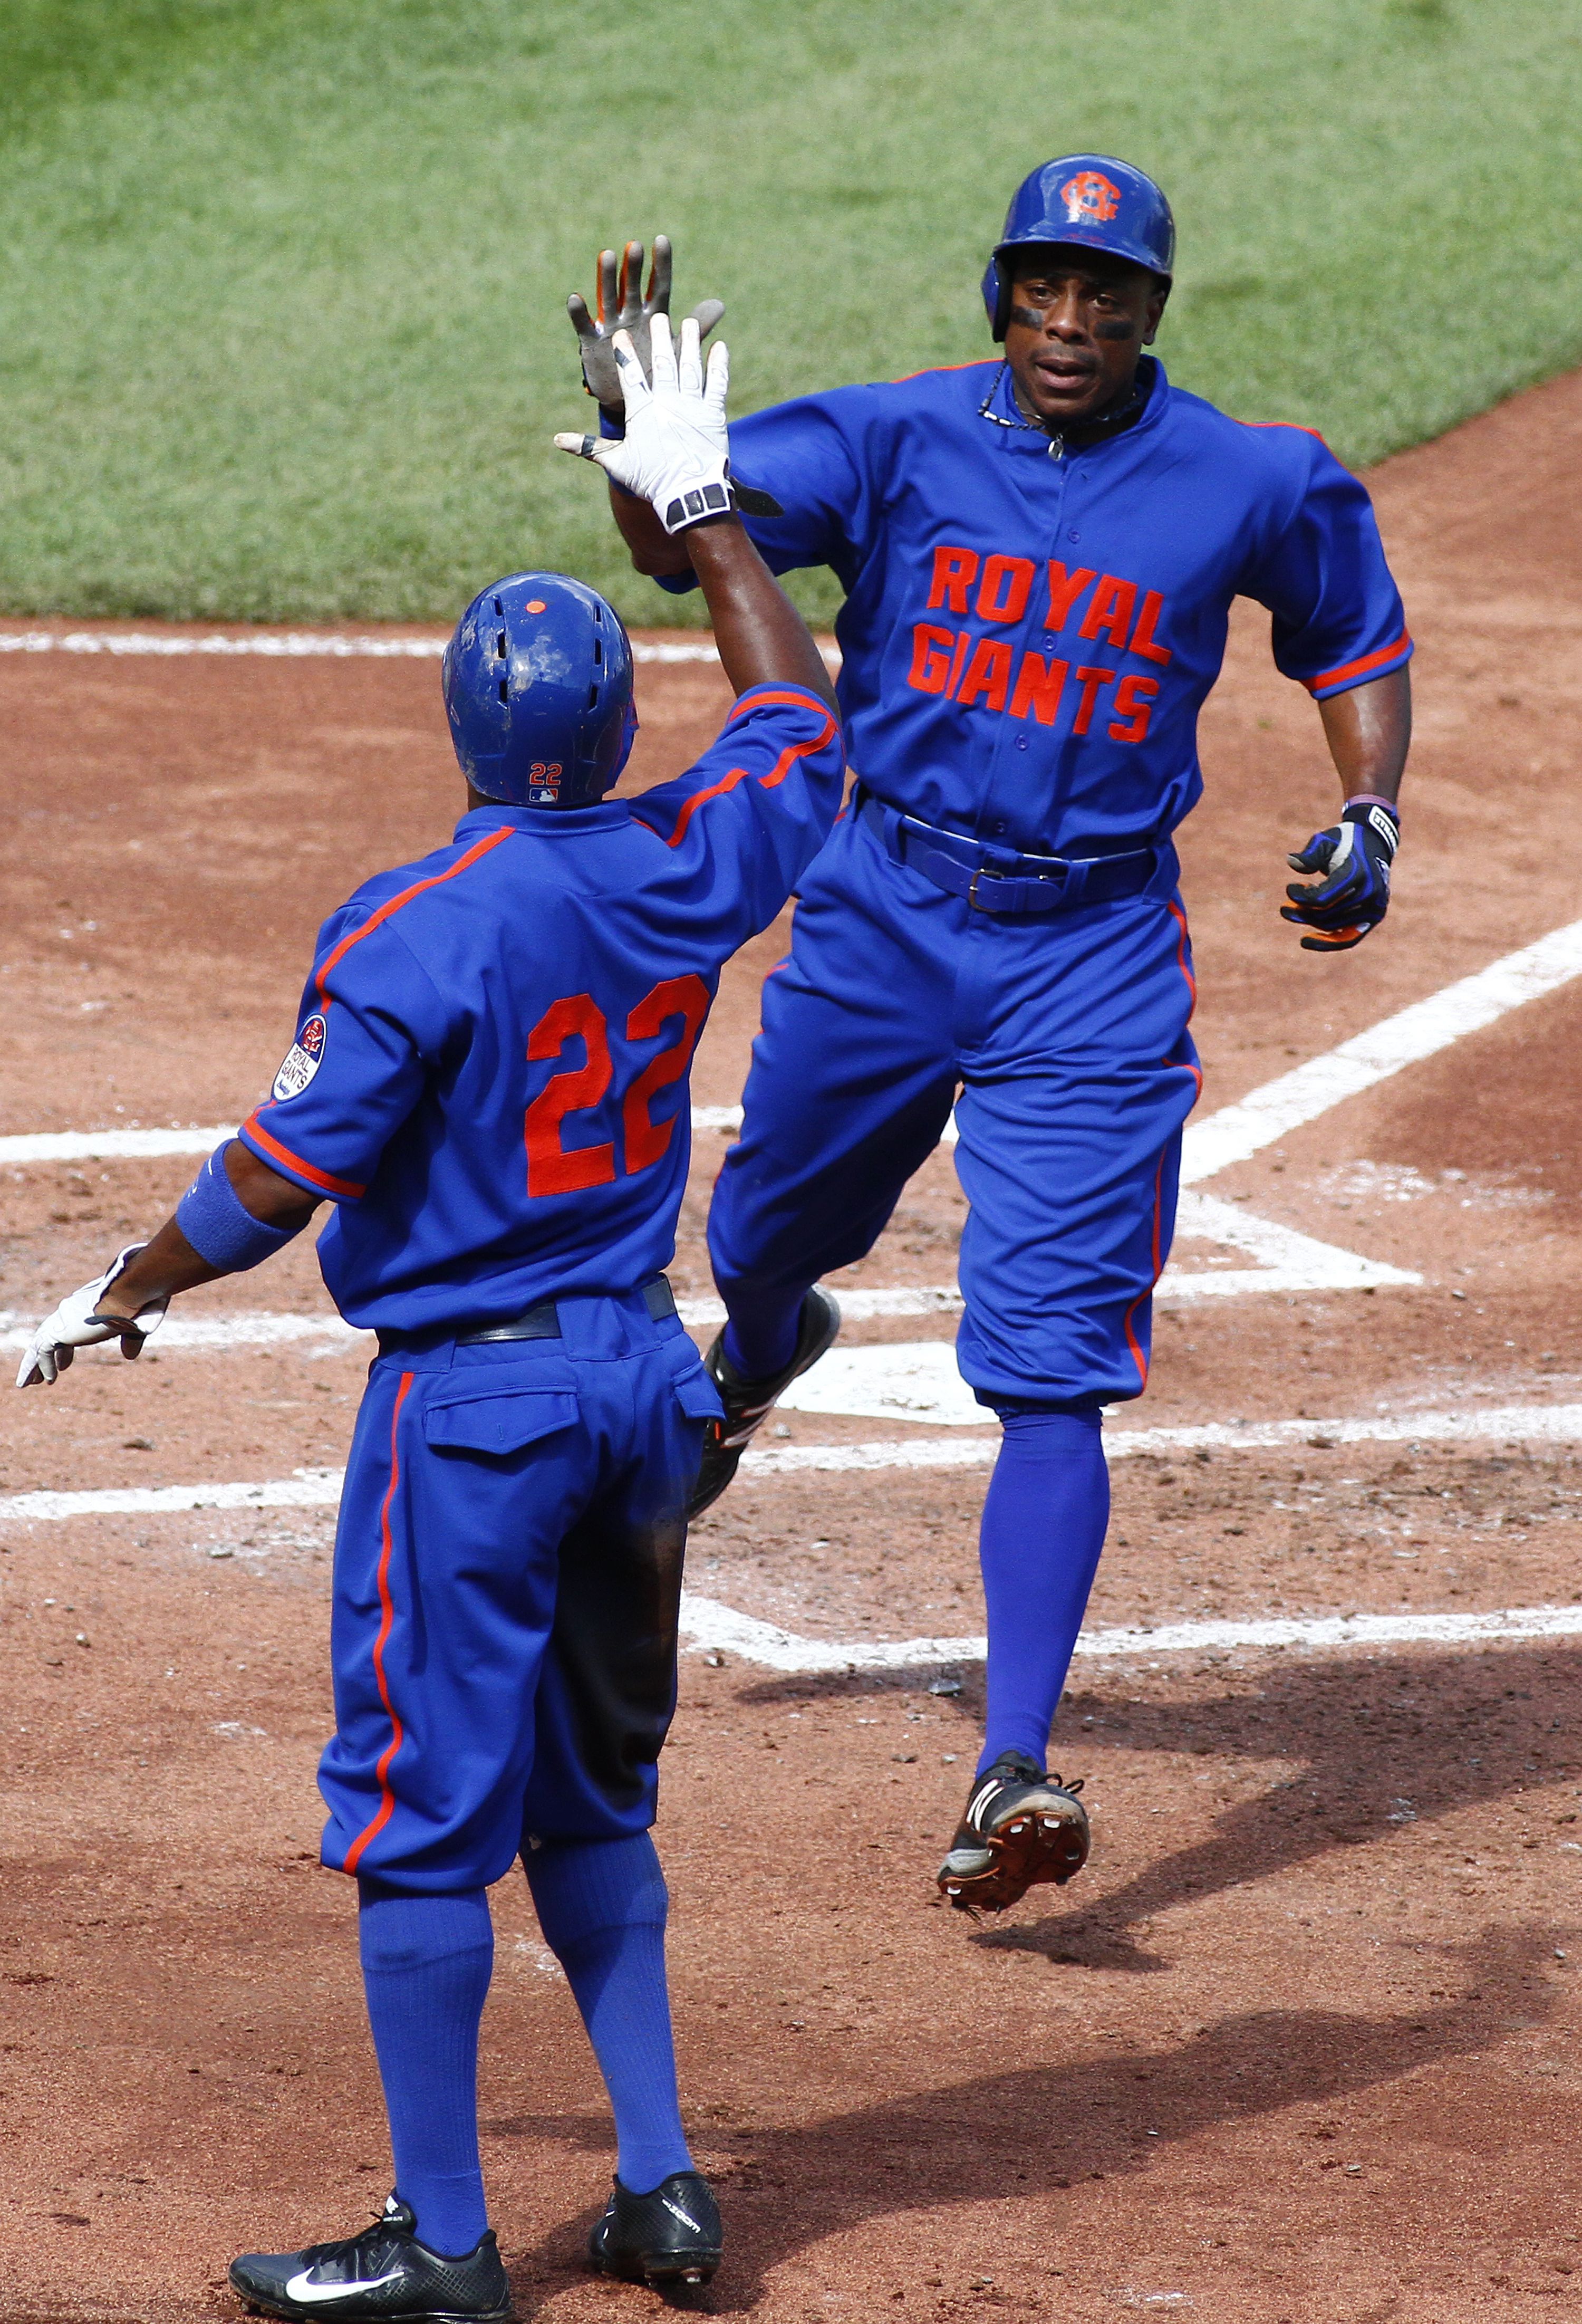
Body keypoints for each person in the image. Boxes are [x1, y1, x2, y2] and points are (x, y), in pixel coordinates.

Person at [18, 318, 843, 2316]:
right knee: (593, 1802)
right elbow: (801, 718)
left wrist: (125, 1290)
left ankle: (447, 2245)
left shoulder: (409, 927)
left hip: (471, 1421)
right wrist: (706, 510)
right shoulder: (689, 856)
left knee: (414, 1829)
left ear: (469, 737)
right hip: (641, 1382)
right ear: (607, 731)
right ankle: (660, 2189)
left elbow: (278, 1179)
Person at [571, 160, 1411, 1916]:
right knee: (761, 1240)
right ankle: (770, 1334)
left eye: (1109, 296)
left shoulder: (1253, 478)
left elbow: (1353, 638)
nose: (1074, 323)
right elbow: (684, 545)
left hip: (1096, 954)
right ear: (1000, 298)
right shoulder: (897, 441)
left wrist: (1373, 810)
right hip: (885, 911)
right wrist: (648, 461)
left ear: (1153, 315)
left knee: (1053, 1364)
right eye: (1046, 289)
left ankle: (1012, 1759)